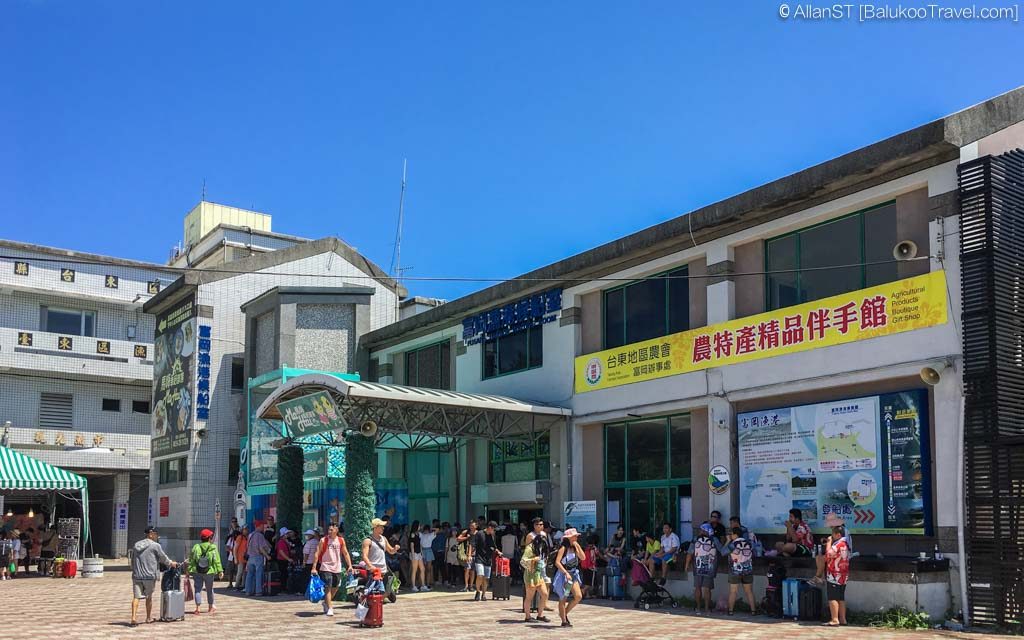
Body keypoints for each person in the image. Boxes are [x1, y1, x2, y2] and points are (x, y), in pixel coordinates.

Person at [129, 526, 178, 627]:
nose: (157, 535)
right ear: (150, 534)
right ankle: (148, 618)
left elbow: (133, 560)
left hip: (137, 575)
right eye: (155, 534)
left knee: (136, 597)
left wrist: (134, 571)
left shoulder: (136, 545)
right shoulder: (155, 546)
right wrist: (171, 563)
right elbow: (163, 558)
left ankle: (133, 618)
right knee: (149, 597)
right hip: (149, 575)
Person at [311, 523, 353, 617]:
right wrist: (314, 567)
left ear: (336, 530)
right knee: (328, 587)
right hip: (326, 567)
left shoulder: (341, 540)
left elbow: (345, 553)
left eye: (331, 529)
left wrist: (349, 565)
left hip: (337, 567)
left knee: (335, 587)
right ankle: (330, 607)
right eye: (329, 530)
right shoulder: (323, 540)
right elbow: (317, 553)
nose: (329, 531)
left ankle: (326, 602)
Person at [719, 526, 757, 616]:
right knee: (749, 591)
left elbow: (723, 552)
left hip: (735, 570)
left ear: (735, 534)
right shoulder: (748, 543)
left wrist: (727, 541)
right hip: (748, 569)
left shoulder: (733, 544)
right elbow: (755, 548)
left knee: (733, 591)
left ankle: (731, 611)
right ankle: (753, 611)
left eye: (731, 534)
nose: (730, 536)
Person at [361, 518, 400, 599]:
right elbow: (364, 556)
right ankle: (372, 605)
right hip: (373, 571)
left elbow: (390, 551)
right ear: (375, 527)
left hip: (383, 570)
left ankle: (378, 604)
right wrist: (370, 566)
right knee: (373, 591)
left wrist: (395, 549)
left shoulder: (384, 539)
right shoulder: (368, 540)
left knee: (387, 590)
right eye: (381, 526)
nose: (383, 528)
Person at [684, 523, 718, 616]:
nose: (699, 531)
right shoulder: (714, 539)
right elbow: (722, 551)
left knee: (697, 587)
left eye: (701, 530)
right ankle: (707, 609)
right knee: (707, 589)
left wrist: (686, 564)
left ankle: (698, 608)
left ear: (704, 530)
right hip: (710, 567)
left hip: (697, 567)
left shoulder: (695, 539)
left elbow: (690, 553)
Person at [552, 528, 584, 627]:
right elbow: (557, 562)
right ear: (569, 537)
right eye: (574, 536)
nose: (576, 537)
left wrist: (577, 546)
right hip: (564, 576)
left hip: (573, 575)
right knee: (563, 597)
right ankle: (564, 620)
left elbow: (583, 558)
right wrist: (565, 573)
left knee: (578, 596)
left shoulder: (575, 547)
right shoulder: (563, 548)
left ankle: (564, 613)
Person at [187, 528, 224, 615]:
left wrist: (189, 570)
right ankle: (210, 607)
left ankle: (198, 608)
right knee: (209, 589)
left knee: (197, 589)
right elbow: (216, 560)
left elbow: (192, 560)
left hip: (197, 571)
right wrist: (220, 571)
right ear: (209, 538)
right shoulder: (212, 547)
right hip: (209, 572)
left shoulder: (196, 547)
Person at [811, 513, 852, 586]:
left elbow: (841, 545)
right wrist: (827, 541)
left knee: (821, 558)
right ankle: (820, 577)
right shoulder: (840, 530)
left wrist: (829, 542)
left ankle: (818, 577)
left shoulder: (842, 530)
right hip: (838, 553)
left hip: (842, 555)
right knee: (818, 557)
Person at [520, 531, 551, 623]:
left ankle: (540, 615)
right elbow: (523, 561)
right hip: (530, 574)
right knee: (529, 596)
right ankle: (527, 616)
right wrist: (533, 559)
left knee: (544, 594)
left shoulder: (542, 548)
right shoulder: (529, 548)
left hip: (538, 573)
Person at [824, 525, 851, 627]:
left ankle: (835, 619)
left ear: (838, 534)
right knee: (841, 597)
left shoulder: (838, 545)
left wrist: (828, 543)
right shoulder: (846, 544)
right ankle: (843, 619)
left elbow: (828, 555)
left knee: (832, 597)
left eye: (833, 534)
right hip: (844, 574)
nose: (832, 536)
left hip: (834, 574)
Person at [470, 521, 502, 601]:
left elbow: (494, 547)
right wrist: (469, 555)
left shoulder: (491, 536)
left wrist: (498, 551)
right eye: (494, 529)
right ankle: (478, 591)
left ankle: (484, 594)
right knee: (480, 575)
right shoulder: (479, 534)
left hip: (488, 559)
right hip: (479, 558)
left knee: (486, 578)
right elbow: (472, 544)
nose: (494, 531)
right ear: (490, 528)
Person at [244, 522, 272, 596]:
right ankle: (258, 591)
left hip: (250, 557)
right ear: (259, 526)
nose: (263, 528)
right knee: (258, 574)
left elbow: (247, 546)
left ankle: (248, 591)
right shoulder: (260, 535)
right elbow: (261, 548)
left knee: (250, 574)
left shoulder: (250, 535)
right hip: (258, 557)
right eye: (263, 526)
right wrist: (267, 556)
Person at [457, 521, 478, 592]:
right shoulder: (466, 532)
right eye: (470, 526)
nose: (471, 527)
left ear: (476, 526)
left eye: (473, 526)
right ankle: (466, 586)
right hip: (466, 554)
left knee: (473, 570)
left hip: (475, 554)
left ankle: (471, 586)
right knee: (467, 570)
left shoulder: (478, 533)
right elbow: (458, 539)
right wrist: (466, 538)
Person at [232, 526, 249, 591]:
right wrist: (235, 558)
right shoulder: (240, 537)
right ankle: (236, 586)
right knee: (240, 572)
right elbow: (235, 549)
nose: (246, 531)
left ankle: (243, 585)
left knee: (245, 572)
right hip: (240, 558)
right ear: (242, 530)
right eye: (245, 529)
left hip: (246, 558)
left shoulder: (247, 537)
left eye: (247, 529)